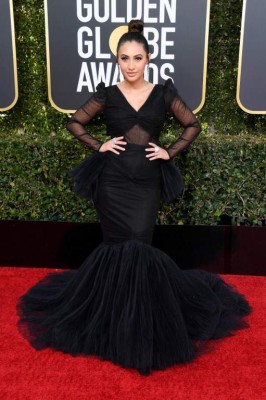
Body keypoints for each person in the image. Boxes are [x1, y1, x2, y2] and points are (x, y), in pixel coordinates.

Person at [17, 20, 251, 376]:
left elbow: (193, 125)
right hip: (111, 182)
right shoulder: (107, 94)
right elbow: (75, 122)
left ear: (148, 59)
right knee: (116, 246)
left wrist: (169, 152)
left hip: (146, 183)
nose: (130, 64)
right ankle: (111, 321)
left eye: (137, 57)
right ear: (117, 60)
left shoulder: (163, 93)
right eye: (124, 58)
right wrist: (100, 144)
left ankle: (138, 324)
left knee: (139, 245)